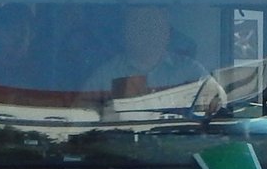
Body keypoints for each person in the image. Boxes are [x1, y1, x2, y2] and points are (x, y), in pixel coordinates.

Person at [84, 6, 224, 110]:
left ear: (167, 33)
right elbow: (81, 112)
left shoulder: (190, 70)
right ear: (126, 33)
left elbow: (217, 102)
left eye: (155, 27)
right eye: (141, 28)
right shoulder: (106, 74)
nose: (149, 34)